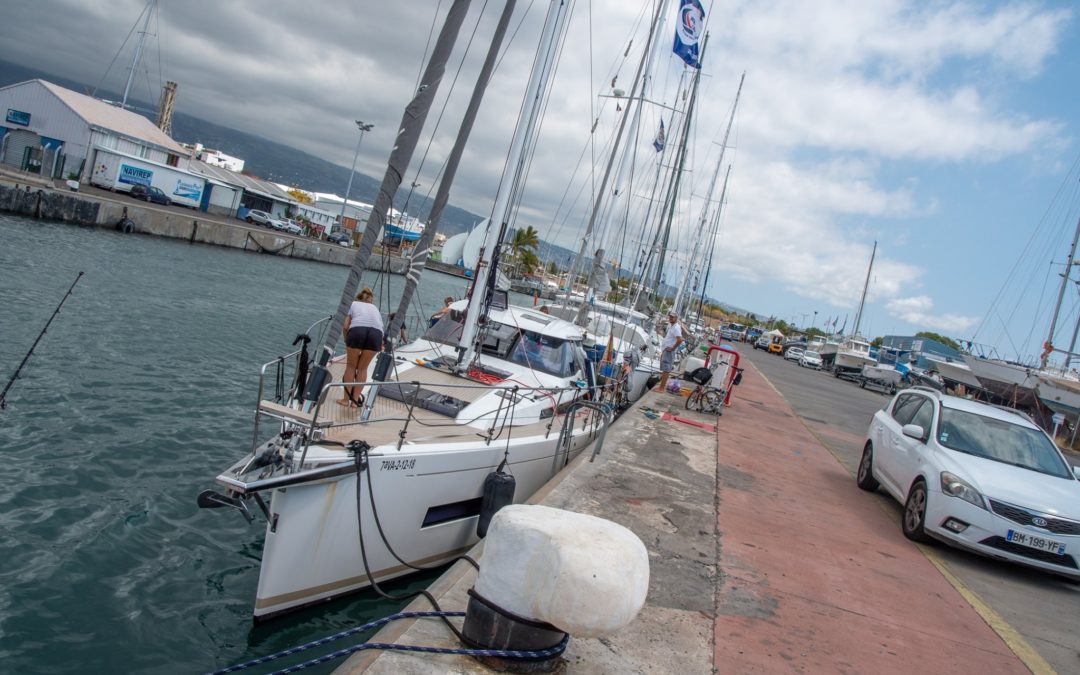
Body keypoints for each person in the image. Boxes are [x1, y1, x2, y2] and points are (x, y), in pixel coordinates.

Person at [339, 287, 383, 407]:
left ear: (357, 298)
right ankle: (355, 401)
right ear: (370, 300)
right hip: (376, 334)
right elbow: (380, 327)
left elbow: (346, 326)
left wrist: (346, 340)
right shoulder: (375, 308)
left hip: (358, 331)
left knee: (351, 366)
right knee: (363, 369)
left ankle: (345, 400)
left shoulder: (353, 304)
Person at [656, 310, 683, 393]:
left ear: (676, 318)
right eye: (670, 316)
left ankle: (661, 388)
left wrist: (672, 348)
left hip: (669, 351)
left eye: (673, 317)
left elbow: (680, 339)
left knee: (666, 369)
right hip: (666, 350)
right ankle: (661, 387)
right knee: (665, 369)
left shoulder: (676, 327)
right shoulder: (672, 326)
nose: (671, 318)